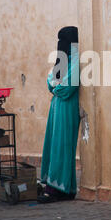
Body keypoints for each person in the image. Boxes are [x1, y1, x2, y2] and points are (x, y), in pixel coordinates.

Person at [38, 26, 80, 203]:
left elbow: (68, 86)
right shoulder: (62, 61)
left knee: (63, 146)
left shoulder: (76, 60)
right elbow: (50, 81)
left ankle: (56, 189)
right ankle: (65, 189)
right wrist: (55, 86)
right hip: (56, 107)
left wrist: (55, 86)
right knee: (53, 144)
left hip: (67, 107)